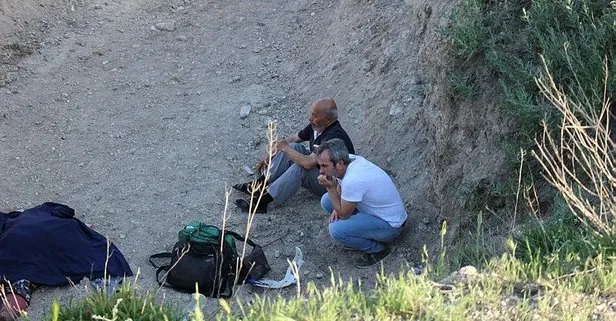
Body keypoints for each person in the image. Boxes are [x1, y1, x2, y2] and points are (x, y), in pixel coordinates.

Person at [233, 98, 355, 213]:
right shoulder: (318, 126)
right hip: (322, 170)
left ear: (328, 119)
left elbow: (308, 163)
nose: (310, 118)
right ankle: (261, 184)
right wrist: (272, 152)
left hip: (334, 185)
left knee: (301, 168)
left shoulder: (333, 136)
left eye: (315, 115)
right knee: (294, 147)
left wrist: (284, 147)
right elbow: (294, 138)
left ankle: (262, 202)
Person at [315, 138, 408, 268]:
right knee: (327, 201)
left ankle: (377, 250)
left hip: (391, 226)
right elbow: (341, 187)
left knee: (336, 230)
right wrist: (336, 200)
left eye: (324, 166)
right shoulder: (350, 160)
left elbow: (343, 215)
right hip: (378, 213)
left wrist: (329, 188)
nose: (320, 171)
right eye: (320, 166)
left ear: (340, 164)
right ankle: (358, 234)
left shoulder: (353, 179)